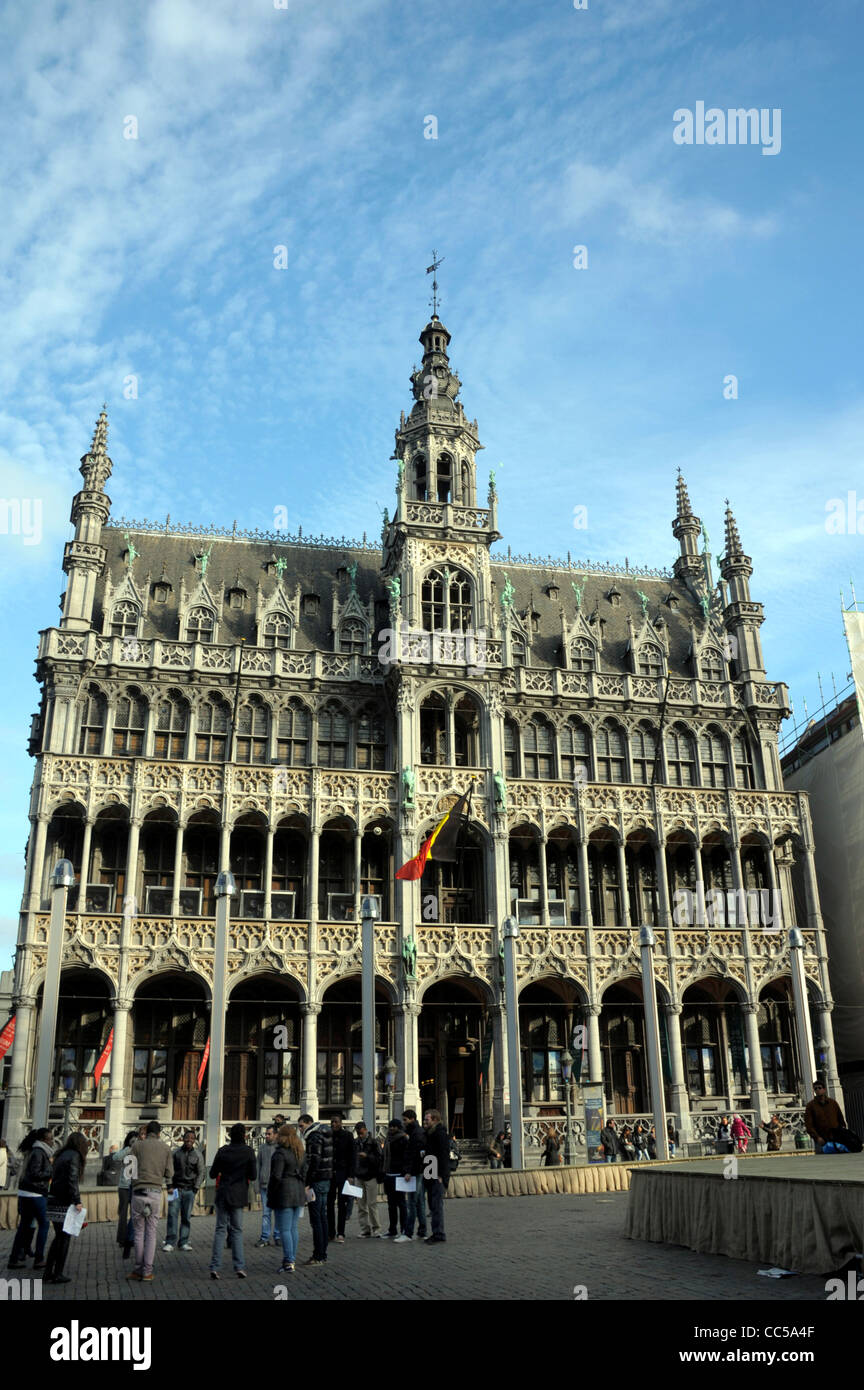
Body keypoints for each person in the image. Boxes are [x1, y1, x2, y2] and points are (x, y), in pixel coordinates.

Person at [208, 1123, 256, 1279]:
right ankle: (239, 1266)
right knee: (237, 1230)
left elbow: (213, 1173)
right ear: (244, 1135)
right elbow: (253, 1175)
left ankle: (215, 1267)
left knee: (220, 1230)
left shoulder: (222, 1151)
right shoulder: (248, 1152)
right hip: (238, 1193)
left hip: (223, 1193)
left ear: (230, 1135)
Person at [128, 1120, 173, 1282]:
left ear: (146, 1132)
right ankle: (147, 1271)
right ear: (159, 1133)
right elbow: (169, 1173)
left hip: (138, 1192)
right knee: (151, 1233)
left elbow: (128, 1168)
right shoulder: (166, 1148)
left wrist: (134, 1182)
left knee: (139, 1233)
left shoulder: (137, 1146)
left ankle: (137, 1269)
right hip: (155, 1192)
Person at [44, 1131, 87, 1284]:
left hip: (53, 1199)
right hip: (64, 1202)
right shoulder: (75, 1156)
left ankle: (48, 1272)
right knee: (64, 1237)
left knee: (58, 1237)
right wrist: (77, 1200)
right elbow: (72, 1179)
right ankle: (57, 1273)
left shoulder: (60, 1154)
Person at [7, 1128, 53, 1270]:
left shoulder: (34, 1151)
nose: (52, 1141)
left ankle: (14, 1258)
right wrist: (51, 1170)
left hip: (26, 1193)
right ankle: (39, 1259)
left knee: (24, 1226)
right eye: (50, 1138)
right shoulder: (39, 1152)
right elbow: (35, 1173)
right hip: (35, 1193)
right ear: (44, 1140)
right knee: (44, 1225)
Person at [268, 1124, 307, 1273]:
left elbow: (276, 1176)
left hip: (284, 1193)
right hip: (298, 1192)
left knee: (284, 1229)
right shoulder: (300, 1152)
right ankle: (292, 1259)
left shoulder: (280, 1154)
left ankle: (289, 1261)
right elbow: (305, 1172)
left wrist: (271, 1194)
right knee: (293, 1228)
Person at [297, 1113, 332, 1266]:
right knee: (322, 1217)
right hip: (325, 1179)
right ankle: (322, 1252)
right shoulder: (326, 1133)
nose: (300, 1130)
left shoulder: (314, 1136)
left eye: (301, 1126)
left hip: (317, 1182)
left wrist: (308, 1182)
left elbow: (314, 1160)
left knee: (316, 1219)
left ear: (309, 1123)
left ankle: (319, 1254)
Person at [164, 1130, 203, 1252]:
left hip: (189, 1190)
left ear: (195, 1141)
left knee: (186, 1217)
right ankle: (170, 1242)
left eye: (192, 1138)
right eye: (187, 1138)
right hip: (174, 1189)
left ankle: (184, 1242)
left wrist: (196, 1188)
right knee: (171, 1215)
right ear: (183, 1139)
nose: (189, 1140)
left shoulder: (198, 1155)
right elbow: (168, 1170)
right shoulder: (175, 1153)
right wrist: (169, 1185)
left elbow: (201, 1172)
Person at [328, 1112, 357, 1243]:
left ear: (341, 1123)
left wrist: (351, 1175)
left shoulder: (348, 1136)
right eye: (332, 1122)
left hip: (343, 1174)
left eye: (336, 1122)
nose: (334, 1124)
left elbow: (352, 1157)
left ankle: (341, 1233)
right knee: (329, 1204)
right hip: (330, 1174)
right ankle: (330, 1233)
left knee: (342, 1204)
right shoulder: (328, 1136)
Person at [422, 1110, 450, 1244]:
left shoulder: (440, 1134)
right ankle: (435, 1232)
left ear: (434, 1120)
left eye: (427, 1120)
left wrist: (441, 1175)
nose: (424, 1122)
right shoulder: (429, 1133)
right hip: (430, 1171)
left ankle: (438, 1234)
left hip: (436, 1174)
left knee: (436, 1206)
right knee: (432, 1206)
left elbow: (443, 1156)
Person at [400, 1108, 428, 1241]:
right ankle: (422, 1231)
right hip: (418, 1171)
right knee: (419, 1202)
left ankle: (408, 1233)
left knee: (412, 1202)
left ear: (411, 1119)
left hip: (415, 1172)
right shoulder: (416, 1132)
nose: (404, 1123)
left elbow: (415, 1155)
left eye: (405, 1120)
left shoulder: (416, 1133)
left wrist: (409, 1172)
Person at [354, 1122, 383, 1238]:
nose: (360, 1135)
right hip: (359, 1175)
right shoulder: (356, 1142)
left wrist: (367, 1156)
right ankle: (365, 1229)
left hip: (370, 1175)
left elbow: (379, 1159)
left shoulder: (374, 1142)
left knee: (372, 1204)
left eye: (361, 1133)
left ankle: (376, 1228)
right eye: (358, 1133)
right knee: (361, 1205)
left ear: (365, 1130)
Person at [382, 1119, 409, 1239]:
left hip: (399, 1174)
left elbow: (406, 1157)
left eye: (394, 1126)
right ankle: (392, 1229)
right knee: (391, 1204)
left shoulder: (403, 1139)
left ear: (398, 1127)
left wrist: (405, 1172)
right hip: (388, 1174)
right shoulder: (388, 1139)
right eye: (390, 1126)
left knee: (401, 1203)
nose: (391, 1128)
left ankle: (404, 1229)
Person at [804, 1080, 846, 1153]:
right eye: (815, 1089)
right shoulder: (810, 1106)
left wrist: (842, 1132)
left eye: (819, 1088)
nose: (817, 1090)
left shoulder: (832, 1103)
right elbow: (809, 1124)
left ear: (824, 1089)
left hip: (835, 1138)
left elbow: (840, 1118)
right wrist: (817, 1137)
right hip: (821, 1139)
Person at [116, 1129, 138, 1257]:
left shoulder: (140, 1151)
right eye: (132, 1140)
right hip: (124, 1186)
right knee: (123, 1214)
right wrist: (128, 1148)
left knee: (135, 1213)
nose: (135, 1143)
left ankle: (131, 1237)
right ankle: (121, 1240)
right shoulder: (126, 1150)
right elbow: (115, 1157)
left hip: (135, 1186)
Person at [256, 1124, 278, 1247]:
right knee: (266, 1212)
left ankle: (278, 1236)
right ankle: (264, 1237)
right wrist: (256, 1184)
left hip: (277, 1186)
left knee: (278, 1212)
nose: (267, 1136)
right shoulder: (262, 1148)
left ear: (276, 1134)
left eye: (269, 1134)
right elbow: (257, 1165)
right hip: (265, 1185)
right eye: (266, 1134)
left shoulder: (280, 1148)